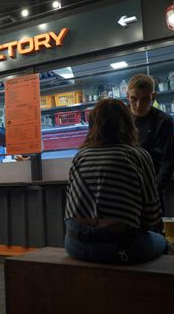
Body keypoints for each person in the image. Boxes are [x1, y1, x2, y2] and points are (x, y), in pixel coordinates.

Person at [64, 99, 168, 264]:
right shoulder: (138, 155)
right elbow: (151, 217)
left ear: (92, 126)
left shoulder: (81, 156)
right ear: (128, 124)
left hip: (75, 246)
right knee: (163, 241)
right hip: (119, 248)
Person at [127, 74, 174, 211]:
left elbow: (169, 161)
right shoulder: (120, 119)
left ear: (153, 97)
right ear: (127, 96)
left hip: (153, 189)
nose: (138, 105)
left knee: (154, 230)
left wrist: (154, 189)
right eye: (134, 99)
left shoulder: (164, 121)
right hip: (124, 190)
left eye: (145, 99)